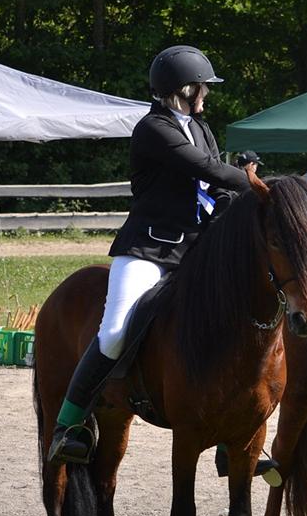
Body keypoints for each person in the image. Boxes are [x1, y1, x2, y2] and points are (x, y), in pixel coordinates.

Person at [48, 45, 258, 465]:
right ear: (183, 88)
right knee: (113, 332)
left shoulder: (200, 128)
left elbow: (218, 185)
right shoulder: (153, 128)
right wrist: (259, 181)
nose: (207, 94)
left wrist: (231, 200)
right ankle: (68, 425)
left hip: (198, 251)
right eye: (203, 87)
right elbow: (210, 170)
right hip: (149, 248)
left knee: (234, 324)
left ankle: (233, 434)